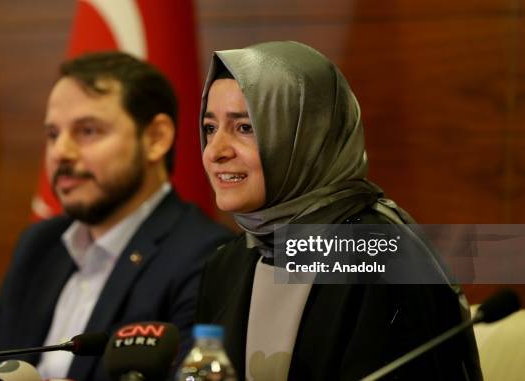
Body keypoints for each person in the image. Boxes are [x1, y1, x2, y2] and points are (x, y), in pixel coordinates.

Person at [195, 41, 482, 381]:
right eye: (211, 128)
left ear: (307, 135)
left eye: (245, 127)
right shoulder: (227, 264)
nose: (215, 151)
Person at [0, 51, 232, 381]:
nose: (61, 152)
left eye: (88, 131)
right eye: (52, 134)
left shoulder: (209, 259)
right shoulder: (39, 245)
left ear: (155, 138)